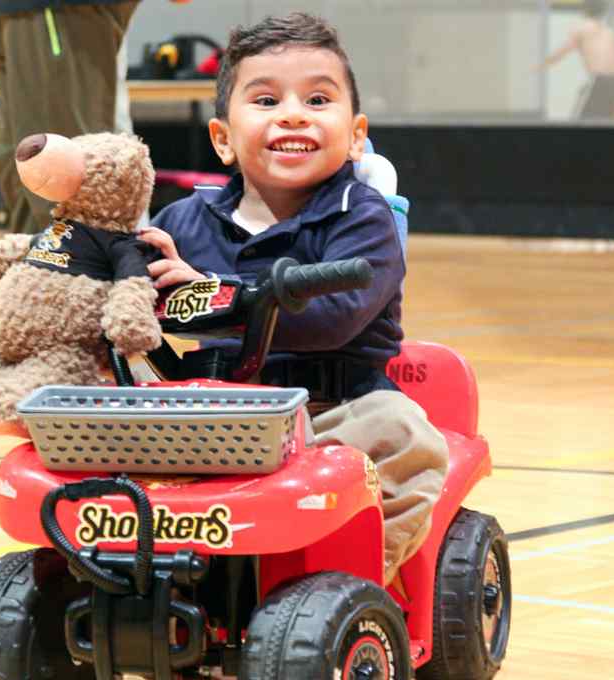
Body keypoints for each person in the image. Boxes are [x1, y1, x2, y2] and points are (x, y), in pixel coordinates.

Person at [139, 12, 449, 585]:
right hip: (211, 411)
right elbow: (136, 295)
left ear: (355, 135)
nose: (292, 113)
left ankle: (355, 576)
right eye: (265, 100)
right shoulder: (182, 219)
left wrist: (206, 294)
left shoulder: (362, 217)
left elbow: (332, 320)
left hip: (332, 412)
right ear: (223, 139)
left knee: (407, 434)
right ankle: (132, 574)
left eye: (317, 99)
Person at [0, 0, 140, 235]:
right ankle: (36, 267)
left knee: (56, 165)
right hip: (13, 10)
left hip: (59, 12)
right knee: (18, 165)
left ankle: (78, 268)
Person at [539, 0, 614, 120]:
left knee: (581, 121)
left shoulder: (581, 29)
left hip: (600, 79)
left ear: (584, 10)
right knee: (604, 120)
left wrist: (540, 66)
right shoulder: (608, 32)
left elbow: (562, 52)